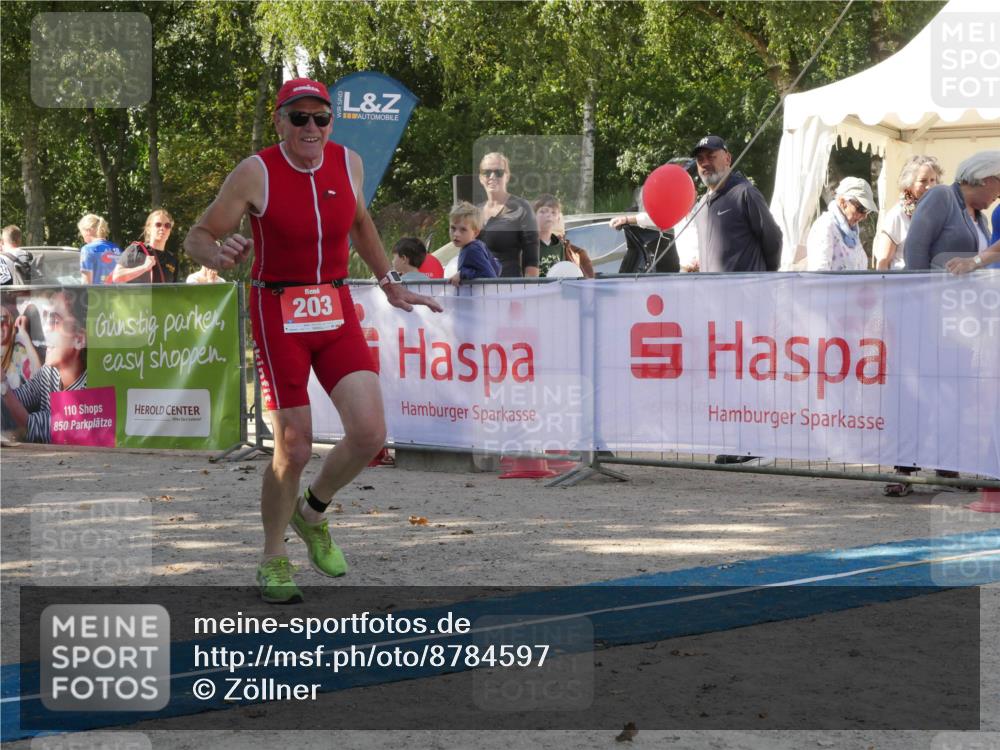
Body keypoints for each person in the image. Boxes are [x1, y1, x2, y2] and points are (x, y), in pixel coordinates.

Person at [184, 77, 442, 604]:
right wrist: (218, 255)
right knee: (294, 444)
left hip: (335, 305)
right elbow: (197, 236)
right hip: (277, 308)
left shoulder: (348, 163)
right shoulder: (255, 172)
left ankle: (312, 513)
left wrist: (390, 284)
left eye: (319, 118)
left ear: (331, 122)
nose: (310, 127)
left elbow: (362, 224)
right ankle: (273, 556)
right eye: (298, 117)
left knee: (370, 435)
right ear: (280, 121)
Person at [1, 288, 87, 444]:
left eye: (55, 321)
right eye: (46, 319)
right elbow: (17, 399)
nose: (46, 328)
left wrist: (3, 385)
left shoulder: (89, 391)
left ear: (79, 340)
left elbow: (30, 427)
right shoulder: (50, 373)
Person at [690, 135, 782, 273]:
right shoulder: (702, 204)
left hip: (745, 292)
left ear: (728, 159)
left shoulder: (745, 193)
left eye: (711, 156)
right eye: (700, 159)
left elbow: (773, 239)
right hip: (711, 292)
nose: (705, 163)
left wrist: (765, 278)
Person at [904, 151, 1000, 270]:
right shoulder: (941, 195)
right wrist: (920, 285)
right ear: (986, 178)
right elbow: (915, 247)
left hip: (966, 289)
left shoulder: (982, 219)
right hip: (934, 287)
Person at [873, 156, 943, 270]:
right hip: (902, 285)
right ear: (909, 184)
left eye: (932, 180)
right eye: (922, 181)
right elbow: (883, 263)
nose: (929, 186)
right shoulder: (898, 215)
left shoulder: (939, 213)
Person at [477, 152, 539, 278]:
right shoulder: (474, 211)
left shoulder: (522, 208)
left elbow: (531, 259)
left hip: (507, 289)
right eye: (487, 172)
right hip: (477, 289)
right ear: (480, 177)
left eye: (498, 172)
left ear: (507, 176)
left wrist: (527, 292)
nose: (492, 176)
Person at [805, 177, 878, 271]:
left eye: (867, 211)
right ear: (843, 202)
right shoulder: (825, 227)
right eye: (861, 209)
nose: (864, 216)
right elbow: (819, 274)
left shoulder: (852, 231)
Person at [533, 194, 594, 278]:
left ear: (558, 219)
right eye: (543, 211)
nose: (548, 215)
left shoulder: (562, 247)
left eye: (553, 212)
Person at [110, 209, 178, 283]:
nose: (162, 228)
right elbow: (116, 276)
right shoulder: (137, 250)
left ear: (170, 230)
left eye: (167, 225)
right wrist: (144, 267)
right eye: (158, 225)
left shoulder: (172, 259)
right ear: (149, 229)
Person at [448, 201, 500, 286]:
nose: (456, 234)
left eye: (463, 229)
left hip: (480, 298)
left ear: (475, 233)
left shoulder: (472, 249)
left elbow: (490, 277)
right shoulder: (475, 246)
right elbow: (497, 267)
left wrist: (462, 274)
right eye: (453, 228)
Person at [77, 214, 121, 285]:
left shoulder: (87, 249)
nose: (82, 236)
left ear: (88, 231)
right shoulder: (116, 248)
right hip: (116, 294)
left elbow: (86, 282)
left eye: (81, 232)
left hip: (97, 294)